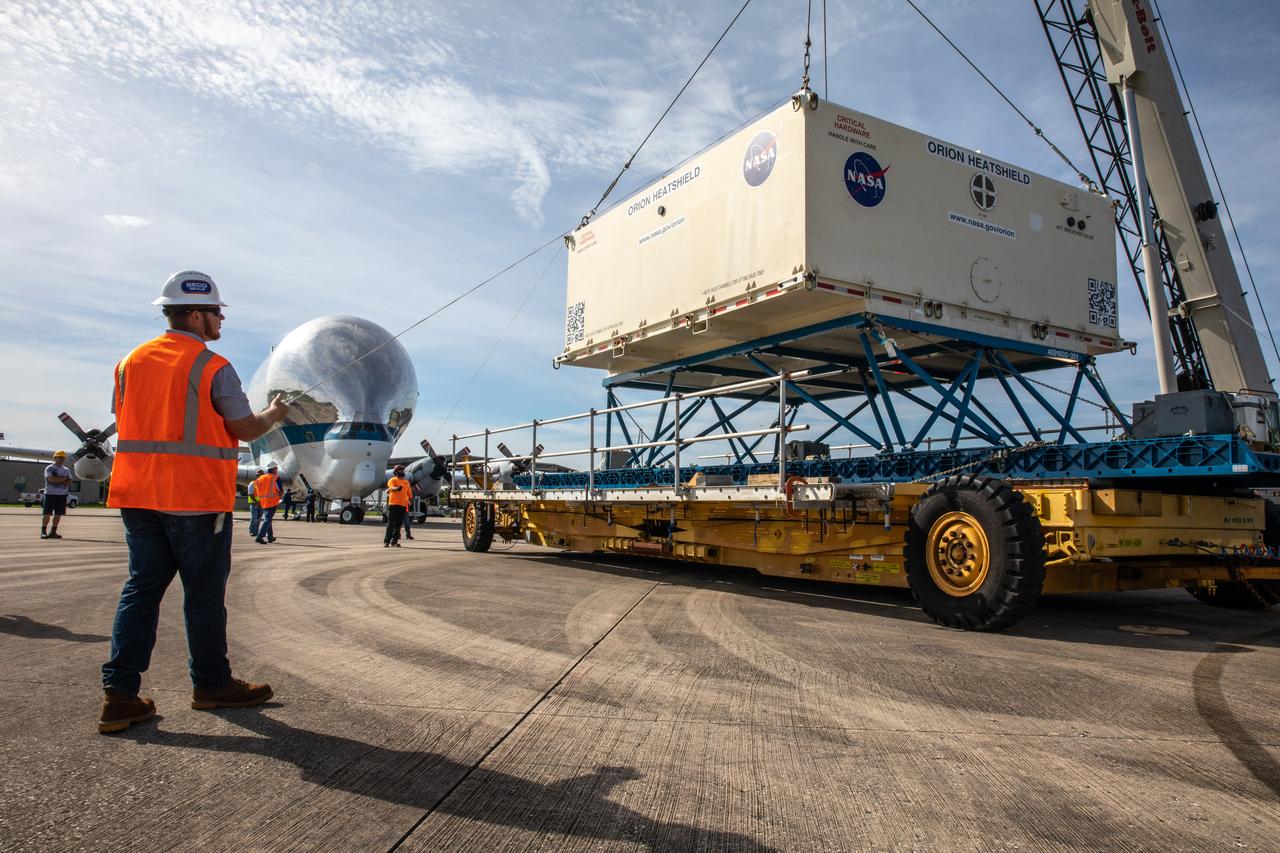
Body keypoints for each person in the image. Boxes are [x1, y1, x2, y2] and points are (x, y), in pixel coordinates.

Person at [99, 270, 289, 735]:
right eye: (217, 313)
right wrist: (277, 413)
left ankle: (120, 697)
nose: (221, 321)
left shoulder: (128, 362)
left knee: (141, 591)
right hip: (196, 501)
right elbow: (244, 429)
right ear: (197, 314)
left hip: (138, 497)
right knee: (203, 598)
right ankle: (211, 684)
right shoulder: (213, 366)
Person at [40, 450, 73, 539]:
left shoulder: (66, 469)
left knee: (58, 514)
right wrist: (63, 479)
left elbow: (69, 480)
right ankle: (43, 532)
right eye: (60, 457)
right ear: (55, 458)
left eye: (63, 458)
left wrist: (58, 479)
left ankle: (53, 532)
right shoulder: (49, 468)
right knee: (47, 513)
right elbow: (51, 480)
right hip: (50, 494)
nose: (62, 459)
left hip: (62, 495)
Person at [253, 462, 282, 544]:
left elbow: (256, 491)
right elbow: (280, 490)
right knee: (268, 519)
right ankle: (259, 537)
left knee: (268, 519)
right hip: (272, 502)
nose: (277, 470)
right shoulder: (276, 478)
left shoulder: (259, 479)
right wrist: (280, 496)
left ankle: (270, 537)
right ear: (273, 469)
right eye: (276, 468)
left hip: (263, 502)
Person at [384, 465, 411, 547]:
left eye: (402, 470)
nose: (402, 471)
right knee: (391, 523)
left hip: (403, 505)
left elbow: (409, 494)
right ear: (396, 472)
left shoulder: (407, 482)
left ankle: (394, 542)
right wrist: (397, 489)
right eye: (400, 470)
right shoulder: (393, 480)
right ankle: (387, 541)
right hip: (393, 505)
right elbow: (391, 487)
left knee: (399, 525)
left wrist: (410, 502)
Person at [247, 468, 264, 537]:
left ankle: (256, 531)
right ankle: (252, 531)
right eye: (257, 474)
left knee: (259, 518)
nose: (258, 476)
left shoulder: (263, 484)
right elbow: (250, 494)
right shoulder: (253, 483)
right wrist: (256, 502)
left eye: (260, 474)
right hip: (254, 504)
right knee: (253, 518)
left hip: (262, 504)